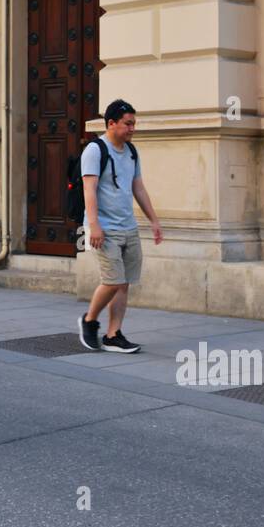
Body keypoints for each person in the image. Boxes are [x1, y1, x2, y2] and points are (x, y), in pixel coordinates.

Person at [78, 99, 163, 354]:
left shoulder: (131, 152)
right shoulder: (95, 150)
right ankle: (89, 320)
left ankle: (113, 334)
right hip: (104, 228)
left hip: (128, 226)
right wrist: (94, 226)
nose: (132, 128)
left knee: (123, 283)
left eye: (134, 123)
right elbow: (89, 189)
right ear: (111, 123)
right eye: (128, 123)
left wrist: (154, 220)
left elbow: (138, 188)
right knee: (113, 281)